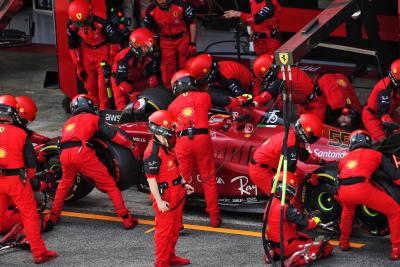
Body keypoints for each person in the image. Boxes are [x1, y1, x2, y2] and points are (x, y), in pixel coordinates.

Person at [46, 94, 139, 229]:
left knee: (64, 184)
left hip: (64, 154)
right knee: (110, 185)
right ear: (89, 106)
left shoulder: (68, 123)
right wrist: (131, 145)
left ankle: (53, 216)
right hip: (82, 153)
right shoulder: (93, 118)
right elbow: (112, 134)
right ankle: (126, 219)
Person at [168, 70, 246, 227]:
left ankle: (177, 222)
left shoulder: (171, 106)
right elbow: (229, 102)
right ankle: (214, 219)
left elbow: (169, 131)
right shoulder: (205, 96)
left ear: (177, 86)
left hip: (183, 141)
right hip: (203, 139)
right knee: (209, 180)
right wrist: (242, 99)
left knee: (180, 181)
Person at [0, 101, 57, 264]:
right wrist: (32, 179)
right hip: (16, 180)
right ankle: (39, 254)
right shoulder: (20, 133)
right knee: (30, 216)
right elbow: (31, 161)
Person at [337, 129, 400, 260]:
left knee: (347, 213)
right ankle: (396, 250)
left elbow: (338, 179)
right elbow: (394, 176)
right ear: (368, 141)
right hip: (361, 189)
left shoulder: (343, 159)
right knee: (395, 211)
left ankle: (343, 242)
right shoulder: (375, 154)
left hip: (343, 191)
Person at [144, 110, 194, 267]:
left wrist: (183, 183)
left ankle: (170, 257)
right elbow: (151, 179)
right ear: (161, 127)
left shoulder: (165, 143)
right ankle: (162, 262)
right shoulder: (153, 152)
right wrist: (159, 201)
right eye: (171, 126)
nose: (173, 129)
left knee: (173, 231)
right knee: (164, 233)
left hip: (176, 193)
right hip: (165, 197)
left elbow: (173, 169)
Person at [249, 114, 325, 198]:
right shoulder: (291, 142)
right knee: (282, 197)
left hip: (271, 168)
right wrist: (308, 176)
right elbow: (290, 169)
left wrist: (321, 161)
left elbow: (304, 156)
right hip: (262, 171)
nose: (313, 140)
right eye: (313, 137)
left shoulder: (293, 137)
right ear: (304, 132)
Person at [266, 172, 333, 266]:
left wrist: (305, 216)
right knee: (325, 246)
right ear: (288, 189)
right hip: (287, 246)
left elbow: (293, 220)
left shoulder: (271, 202)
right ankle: (293, 260)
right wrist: (315, 221)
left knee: (307, 237)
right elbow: (306, 224)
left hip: (276, 244)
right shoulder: (285, 207)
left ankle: (275, 254)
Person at [67, 0, 121, 110]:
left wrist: (110, 62)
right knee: (90, 87)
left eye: (84, 22)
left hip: (103, 52)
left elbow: (115, 41)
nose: (82, 26)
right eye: (79, 23)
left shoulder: (101, 21)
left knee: (103, 89)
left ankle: (102, 113)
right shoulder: (71, 25)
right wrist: (79, 66)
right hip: (86, 52)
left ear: (90, 14)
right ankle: (92, 112)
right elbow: (73, 46)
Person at [144, 0, 197, 88]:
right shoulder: (150, 10)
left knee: (186, 63)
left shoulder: (181, 4)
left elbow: (192, 23)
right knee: (168, 67)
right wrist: (154, 46)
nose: (163, 1)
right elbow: (149, 30)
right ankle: (170, 88)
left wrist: (192, 43)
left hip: (183, 38)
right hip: (165, 40)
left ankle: (190, 85)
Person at [252, 54, 325, 118]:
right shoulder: (286, 69)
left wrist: (254, 103)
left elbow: (268, 93)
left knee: (311, 131)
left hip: (315, 104)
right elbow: (280, 96)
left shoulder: (283, 77)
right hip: (304, 104)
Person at [111, 28, 159, 110]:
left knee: (149, 99)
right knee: (121, 107)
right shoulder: (124, 58)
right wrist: (131, 93)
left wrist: (153, 86)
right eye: (146, 46)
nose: (149, 49)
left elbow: (151, 73)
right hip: (120, 82)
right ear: (137, 46)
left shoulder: (148, 55)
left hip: (137, 80)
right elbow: (119, 80)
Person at [185, 53, 260, 97]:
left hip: (249, 87)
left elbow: (245, 96)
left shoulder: (227, 78)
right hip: (240, 82)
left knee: (212, 94)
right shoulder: (215, 70)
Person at [362, 59, 400, 142]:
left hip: (391, 114)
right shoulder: (384, 88)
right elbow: (382, 113)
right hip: (373, 116)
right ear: (395, 80)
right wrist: (389, 122)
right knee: (383, 142)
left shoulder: (396, 85)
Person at [345, 0, 384, 79]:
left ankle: (381, 68)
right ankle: (360, 67)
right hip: (350, 3)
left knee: (373, 35)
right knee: (354, 36)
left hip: (366, 3)